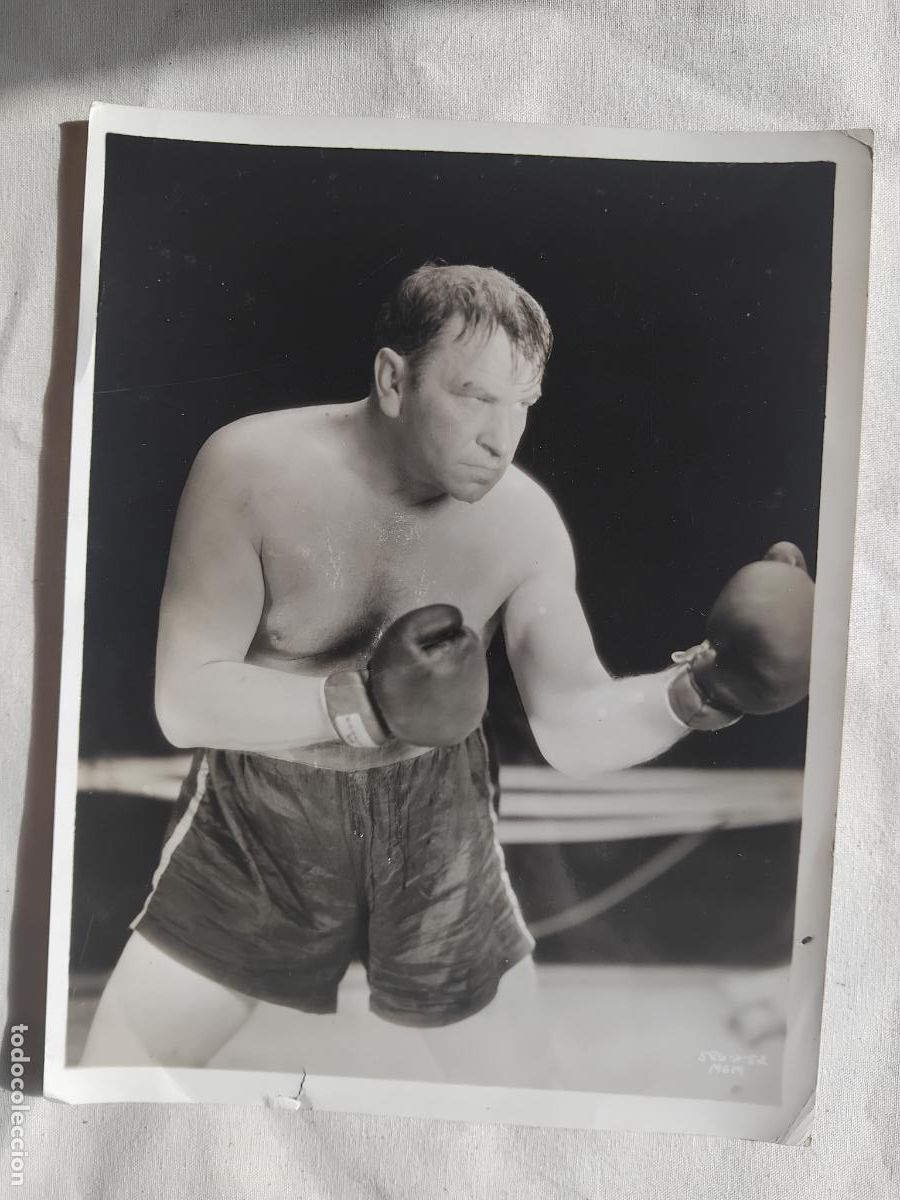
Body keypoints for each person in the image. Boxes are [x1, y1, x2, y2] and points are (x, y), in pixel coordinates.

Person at [80, 263, 814, 1078]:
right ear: (394, 380)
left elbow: (572, 726)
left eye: (522, 404)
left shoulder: (523, 522)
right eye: (474, 396)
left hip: (436, 828)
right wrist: (359, 703)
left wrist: (700, 693)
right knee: (116, 1077)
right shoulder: (251, 468)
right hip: (258, 822)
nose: (502, 437)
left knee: (521, 1103)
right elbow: (185, 698)